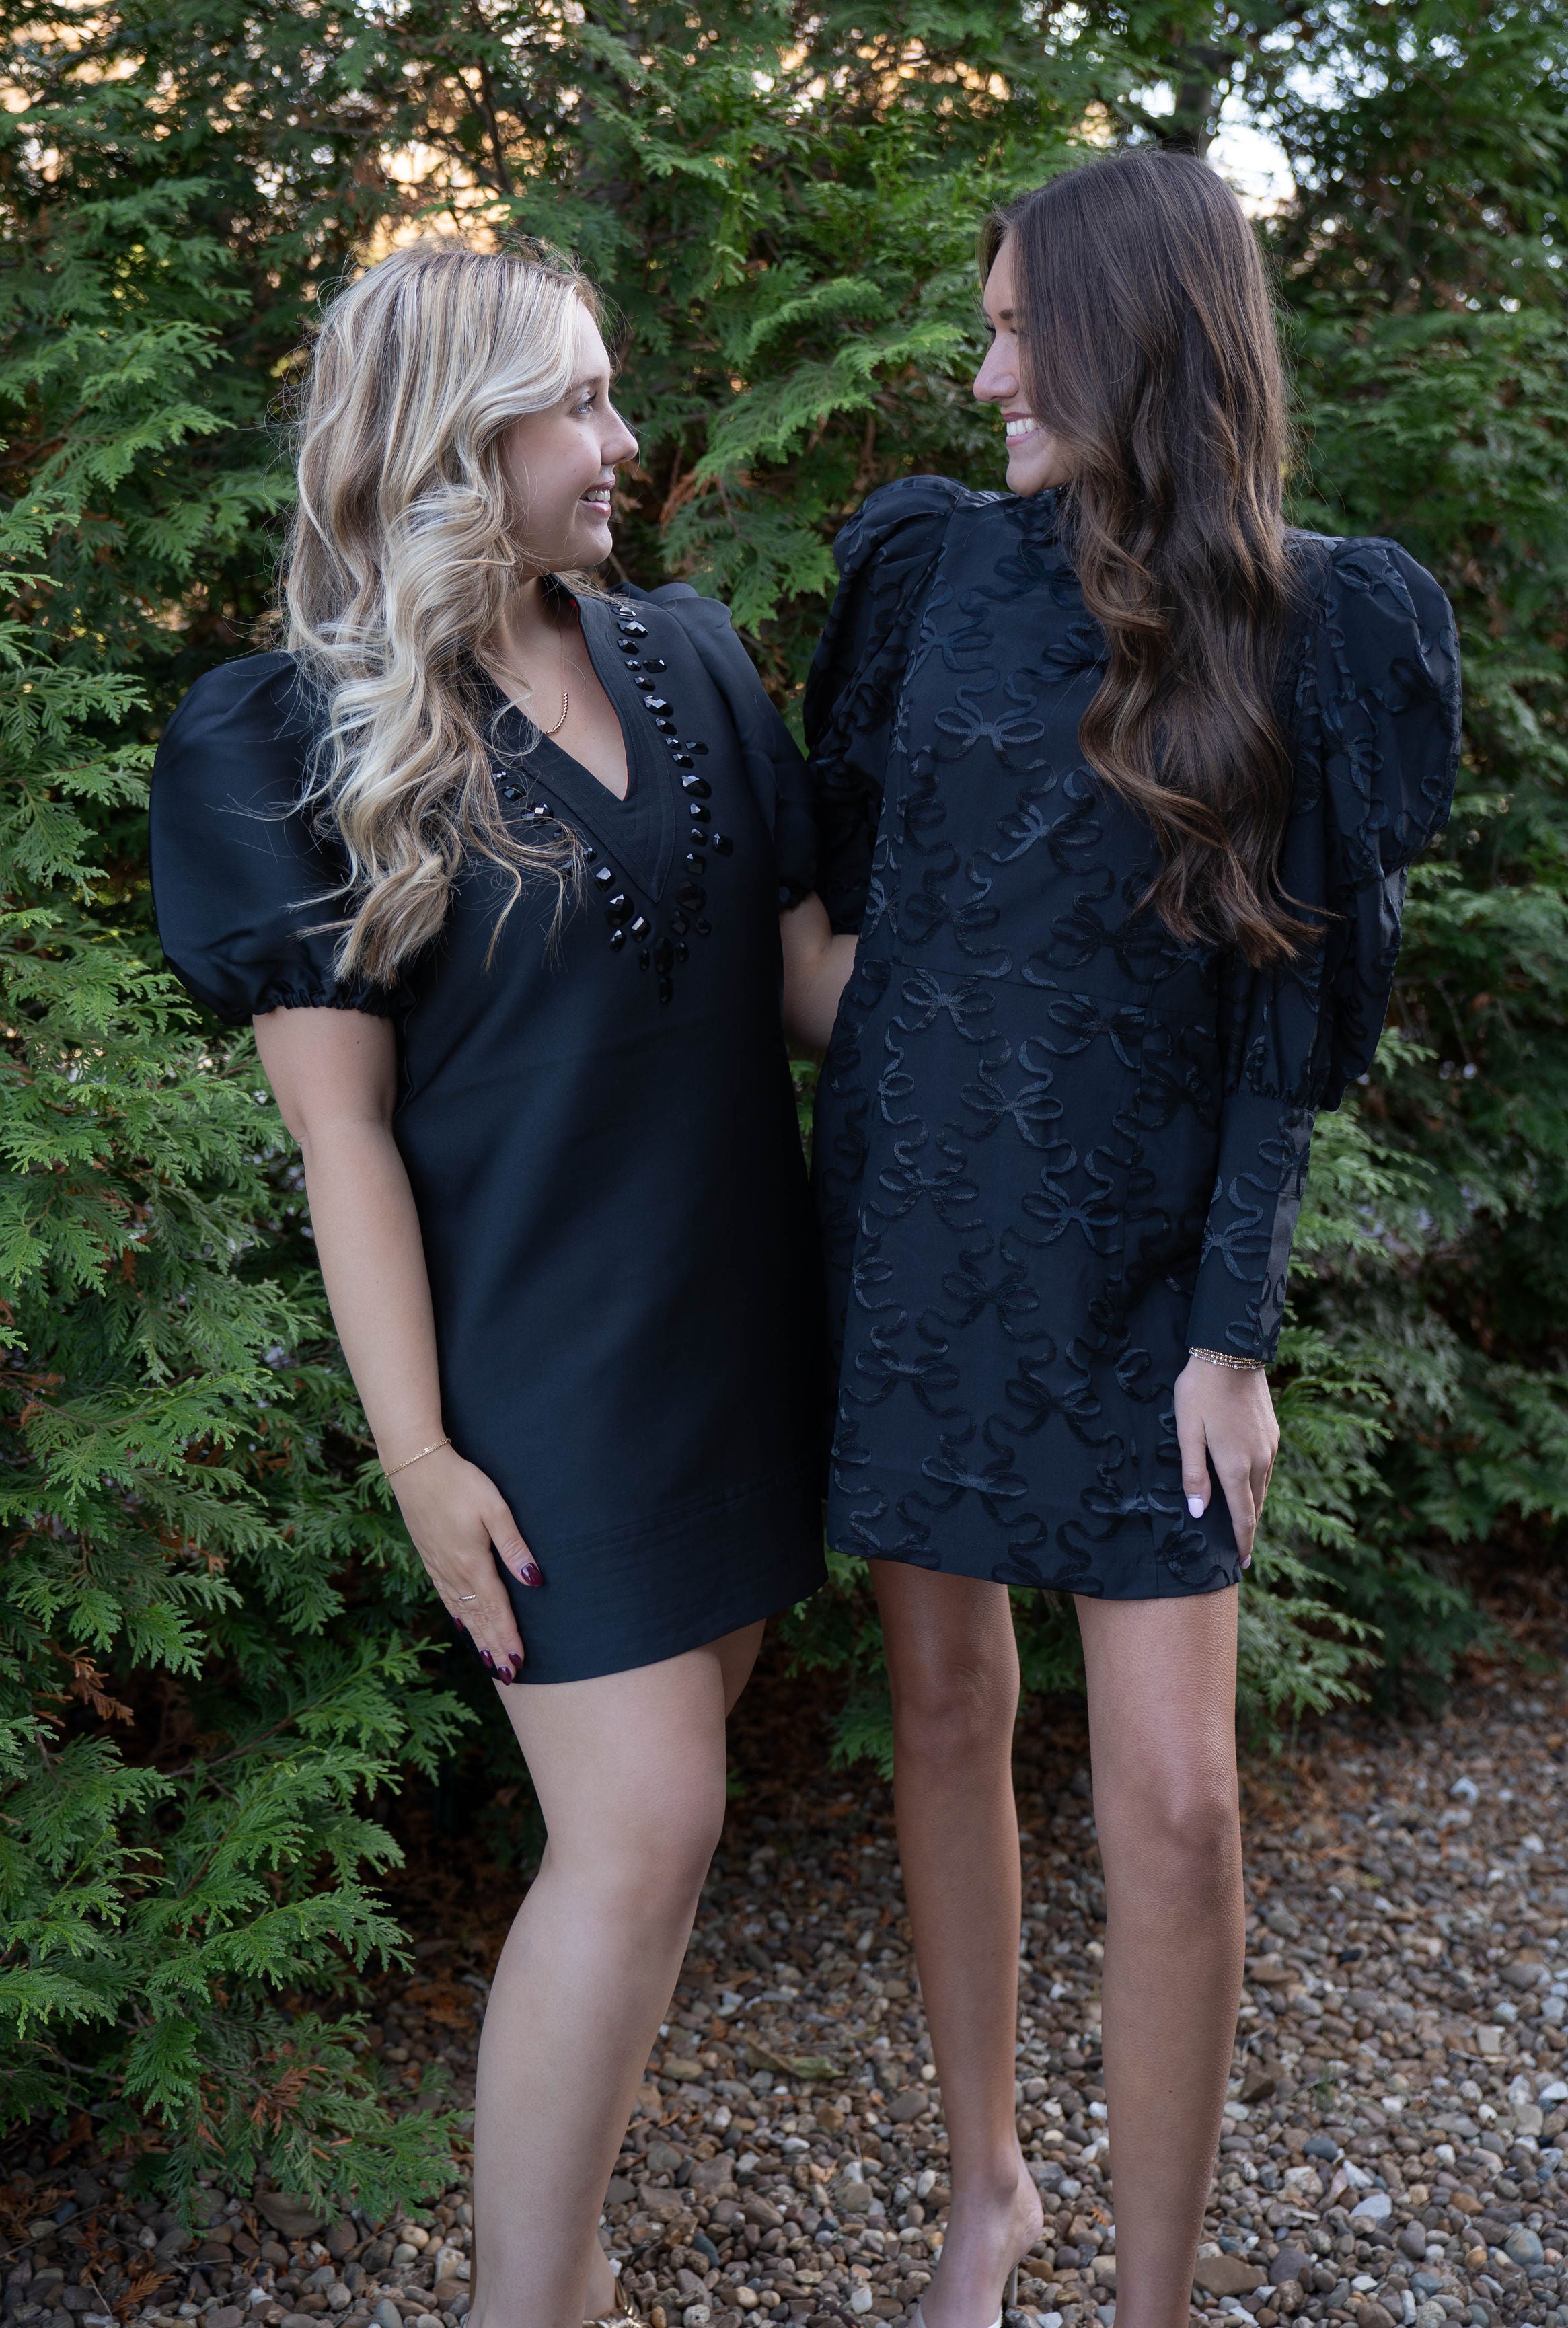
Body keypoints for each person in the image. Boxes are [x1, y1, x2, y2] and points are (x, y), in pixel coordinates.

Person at [148, 239, 853, 2328]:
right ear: (457, 438)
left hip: (741, 1337)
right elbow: (343, 1139)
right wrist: (417, 1456)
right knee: (640, 1829)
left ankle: (578, 2249)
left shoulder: (691, 653)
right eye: (579, 403)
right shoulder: (294, 734)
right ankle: (526, 2304)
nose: (624, 440)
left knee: (656, 1843)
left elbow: (807, 984)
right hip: (542, 1381)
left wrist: (1054, 963)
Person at [802, 151, 1462, 2328]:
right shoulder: (922, 571)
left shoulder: (1318, 617)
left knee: (1174, 1804)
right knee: (941, 1701)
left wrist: (1229, 1330)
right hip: (916, 1235)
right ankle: (985, 2195)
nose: (986, 372)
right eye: (985, 329)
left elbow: (1289, 1019)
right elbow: (852, 904)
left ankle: (1153, 2299)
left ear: (1136, 336)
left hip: (1145, 1281)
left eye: (1020, 332)